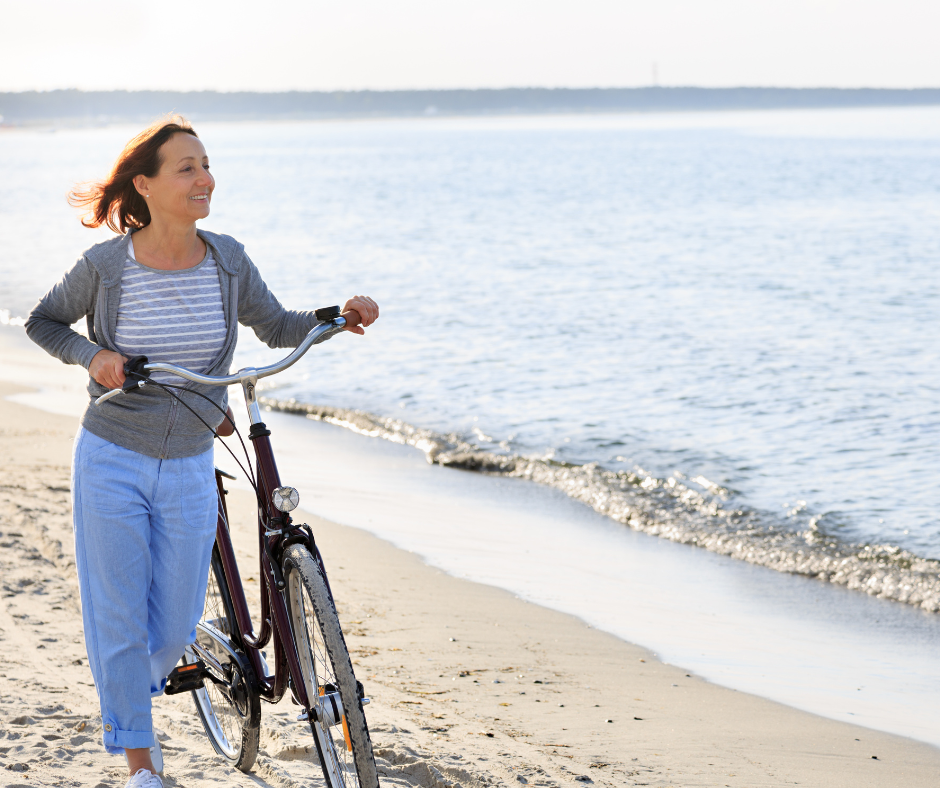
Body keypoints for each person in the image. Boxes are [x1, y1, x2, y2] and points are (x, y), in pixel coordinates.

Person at [25, 117, 379, 788]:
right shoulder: (106, 268)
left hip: (189, 457)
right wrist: (94, 356)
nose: (204, 177)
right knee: (119, 614)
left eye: (206, 164)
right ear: (146, 185)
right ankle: (140, 763)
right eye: (186, 167)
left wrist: (339, 317)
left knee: (177, 618)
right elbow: (42, 321)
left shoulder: (227, 260)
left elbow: (278, 328)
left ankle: (142, 690)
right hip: (112, 455)